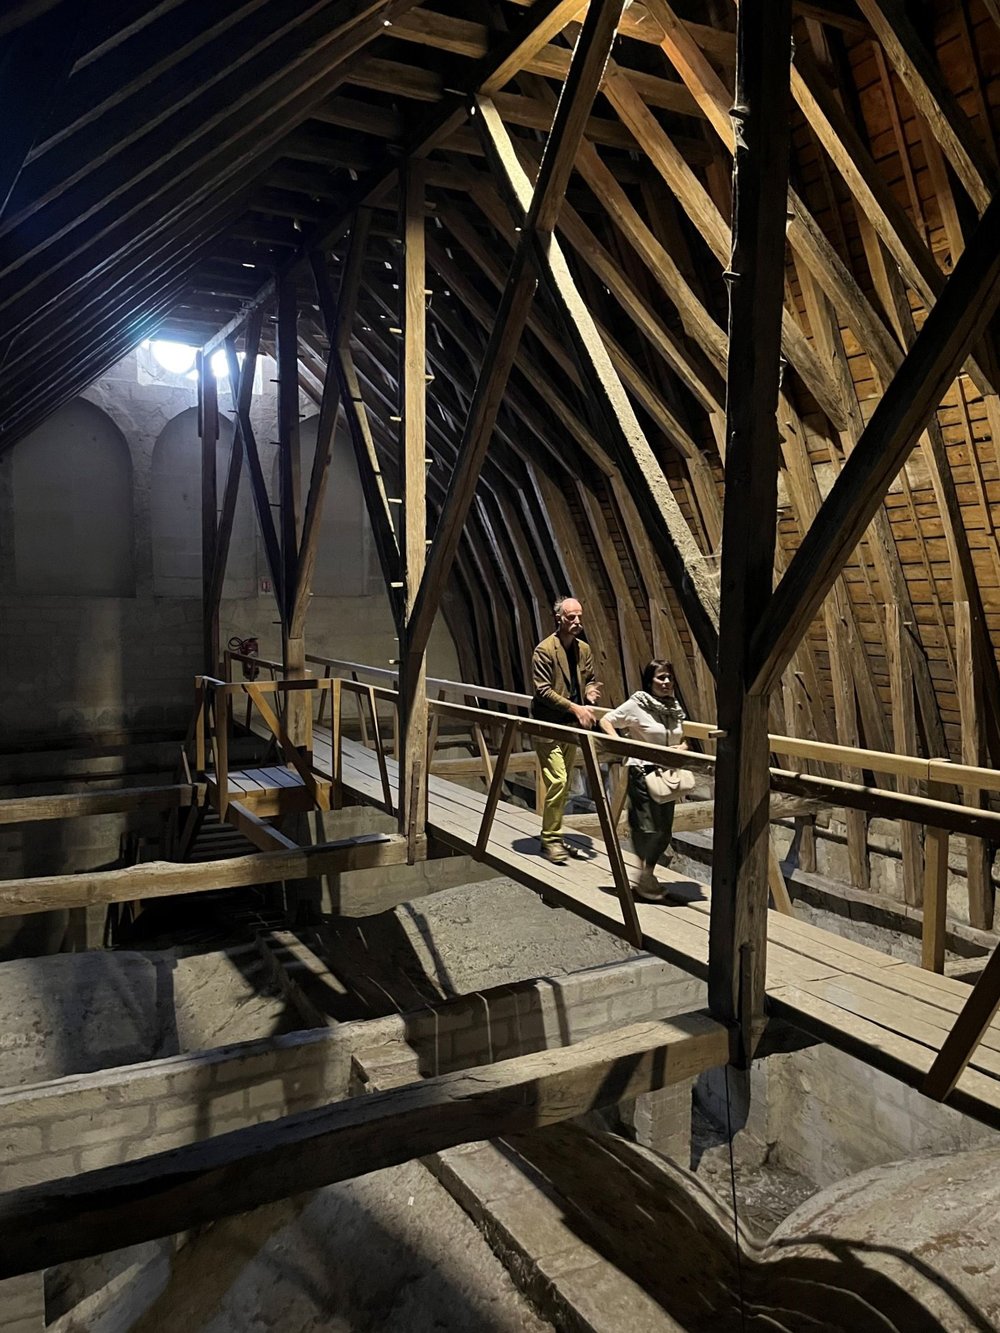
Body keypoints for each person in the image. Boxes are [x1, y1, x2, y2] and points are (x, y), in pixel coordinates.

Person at [598, 659, 686, 901]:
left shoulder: (673, 708)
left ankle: (648, 873)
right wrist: (623, 744)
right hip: (642, 771)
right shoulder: (637, 704)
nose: (666, 682)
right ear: (650, 681)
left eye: (669, 677)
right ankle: (643, 875)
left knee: (664, 829)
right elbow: (607, 720)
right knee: (647, 826)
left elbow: (682, 737)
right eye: (661, 677)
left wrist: (682, 748)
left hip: (667, 774)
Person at [531, 596, 602, 864]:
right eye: (571, 617)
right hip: (549, 725)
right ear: (558, 618)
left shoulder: (583, 649)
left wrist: (591, 693)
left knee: (563, 785)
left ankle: (556, 837)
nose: (577, 622)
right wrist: (576, 708)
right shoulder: (544, 650)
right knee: (558, 780)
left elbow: (591, 680)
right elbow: (543, 691)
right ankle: (549, 840)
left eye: (579, 616)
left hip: (571, 727)